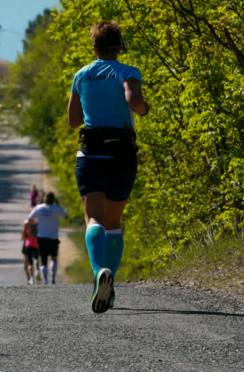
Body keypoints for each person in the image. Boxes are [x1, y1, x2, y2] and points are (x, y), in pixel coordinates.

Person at [67, 21, 149, 313]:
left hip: (91, 154)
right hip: (122, 153)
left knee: (93, 220)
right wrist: (141, 107)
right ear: (120, 47)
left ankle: (99, 272)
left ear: (95, 48)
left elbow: (73, 120)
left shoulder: (81, 75)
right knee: (113, 223)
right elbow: (133, 98)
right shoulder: (127, 71)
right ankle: (109, 289)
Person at [27, 191, 68, 284]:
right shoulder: (56, 208)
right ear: (53, 199)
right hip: (53, 237)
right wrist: (58, 205)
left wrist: (37, 221)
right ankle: (52, 278)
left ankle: (45, 279)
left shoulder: (39, 208)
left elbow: (29, 219)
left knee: (43, 260)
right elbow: (66, 216)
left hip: (42, 237)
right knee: (53, 257)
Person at [21, 218, 40, 284]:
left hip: (27, 243)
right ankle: (36, 271)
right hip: (36, 242)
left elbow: (23, 236)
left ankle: (30, 279)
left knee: (27, 263)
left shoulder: (26, 222)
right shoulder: (38, 222)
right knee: (35, 258)